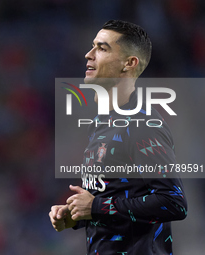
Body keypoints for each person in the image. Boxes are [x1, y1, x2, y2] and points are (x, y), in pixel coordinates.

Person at [49, 20, 187, 255]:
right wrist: (76, 216)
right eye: (92, 46)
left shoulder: (142, 124)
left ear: (129, 63)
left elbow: (173, 202)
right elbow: (115, 200)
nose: (88, 54)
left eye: (102, 48)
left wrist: (95, 206)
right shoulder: (99, 124)